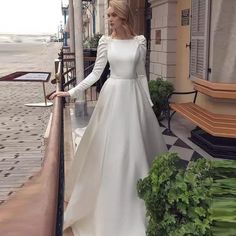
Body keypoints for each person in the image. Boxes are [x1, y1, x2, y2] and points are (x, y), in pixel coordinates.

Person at [50, 0, 167, 235]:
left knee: (135, 150)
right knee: (111, 151)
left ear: (124, 17)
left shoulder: (139, 42)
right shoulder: (106, 42)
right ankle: (108, 204)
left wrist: (148, 103)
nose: (109, 18)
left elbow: (142, 76)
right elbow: (95, 74)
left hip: (133, 99)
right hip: (112, 98)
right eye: (109, 15)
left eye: (113, 15)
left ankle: (138, 203)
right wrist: (71, 92)